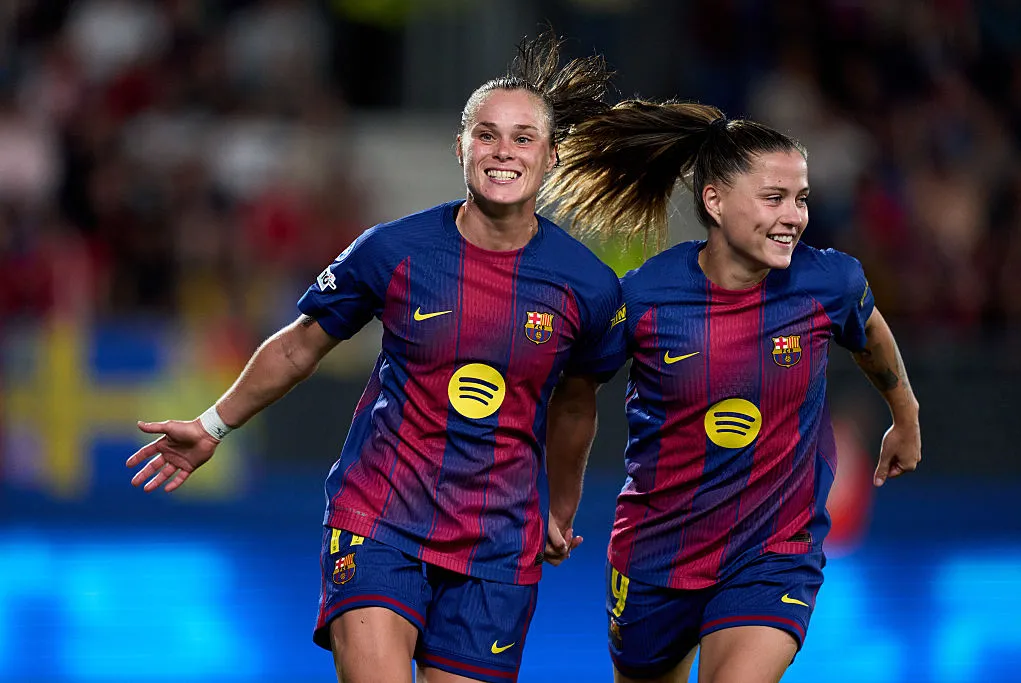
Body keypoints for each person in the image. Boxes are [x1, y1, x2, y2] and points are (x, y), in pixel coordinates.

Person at [125, 32, 627, 683]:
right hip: (381, 518)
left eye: (523, 137)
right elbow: (303, 342)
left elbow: (578, 403)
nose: (503, 150)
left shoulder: (587, 286)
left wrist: (559, 509)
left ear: (551, 157)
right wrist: (213, 424)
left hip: (499, 545)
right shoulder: (394, 250)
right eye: (486, 133)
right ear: (461, 147)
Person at [539, 100, 922, 683]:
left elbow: (867, 328)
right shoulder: (643, 299)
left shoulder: (829, 281)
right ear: (714, 200)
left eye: (801, 198)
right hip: (656, 556)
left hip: (773, 553)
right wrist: (561, 502)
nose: (793, 216)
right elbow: (575, 393)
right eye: (774, 198)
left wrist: (906, 412)